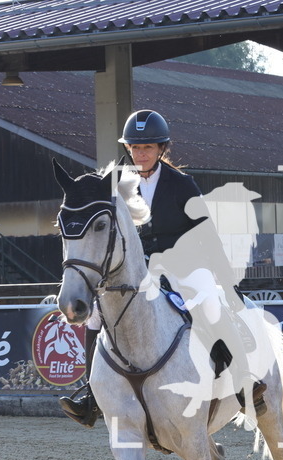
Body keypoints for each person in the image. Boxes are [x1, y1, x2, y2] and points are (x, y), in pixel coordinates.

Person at [59, 109, 205, 427]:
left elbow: (204, 231)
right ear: (128, 149)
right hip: (130, 272)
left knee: (206, 303)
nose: (141, 153)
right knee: (97, 314)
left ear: (161, 149)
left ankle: (238, 379)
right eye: (136, 147)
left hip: (176, 267)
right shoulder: (115, 184)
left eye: (148, 147)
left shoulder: (182, 185)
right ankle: (91, 396)